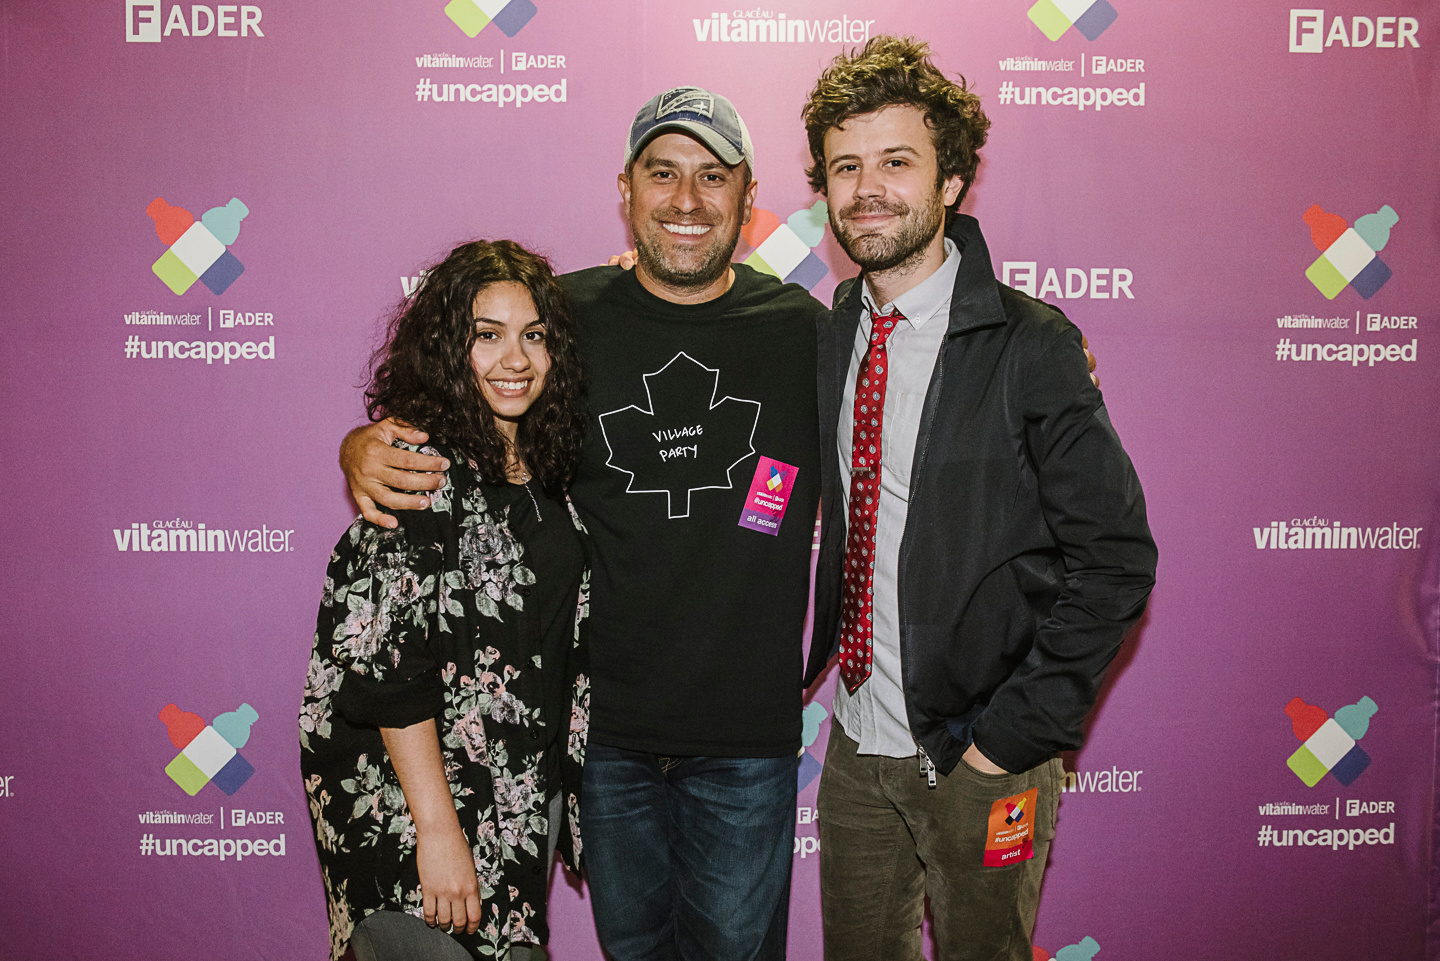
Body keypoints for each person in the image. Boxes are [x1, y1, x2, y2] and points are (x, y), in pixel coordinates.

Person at [340, 89, 824, 961]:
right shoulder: (565, 319)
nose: (687, 200)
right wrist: (363, 445)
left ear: (750, 198)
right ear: (625, 190)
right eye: (663, 173)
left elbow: (917, 407)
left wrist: (1050, 357)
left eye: (713, 177)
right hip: (601, 744)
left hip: (744, 746)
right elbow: (463, 391)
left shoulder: (805, 333)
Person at [799, 37, 1158, 960]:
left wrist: (1012, 736)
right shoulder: (835, 329)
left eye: (895, 161)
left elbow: (1116, 559)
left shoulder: (1030, 345)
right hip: (856, 746)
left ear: (951, 180)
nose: (867, 187)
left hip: (981, 751)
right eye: (846, 166)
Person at [300, 239, 591, 961]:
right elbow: (385, 675)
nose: (514, 359)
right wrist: (438, 831)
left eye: (533, 336)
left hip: (513, 809)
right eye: (486, 336)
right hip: (414, 822)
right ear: (446, 348)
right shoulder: (416, 473)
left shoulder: (547, 475)